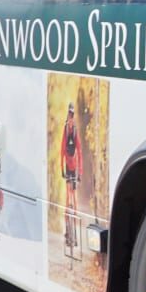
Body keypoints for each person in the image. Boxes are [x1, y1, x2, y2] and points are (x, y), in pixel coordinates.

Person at [60, 103, 82, 251]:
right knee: (68, 200)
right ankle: (68, 233)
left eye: (72, 115)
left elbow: (80, 152)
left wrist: (80, 172)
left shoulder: (75, 131)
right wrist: (62, 168)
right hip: (68, 167)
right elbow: (62, 149)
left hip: (74, 167)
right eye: (69, 115)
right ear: (67, 116)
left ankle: (76, 236)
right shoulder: (65, 130)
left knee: (75, 201)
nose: (71, 118)